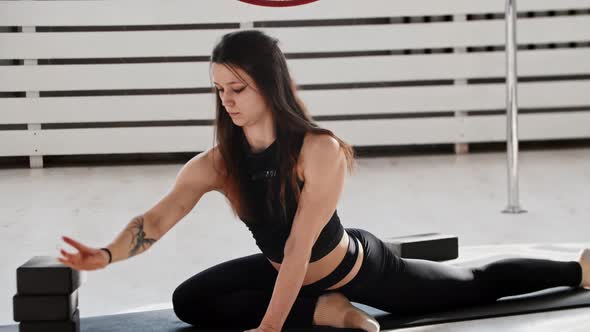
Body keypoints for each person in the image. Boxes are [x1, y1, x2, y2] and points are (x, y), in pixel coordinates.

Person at [58, 30, 590, 332]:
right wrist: (104, 257)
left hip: (357, 266)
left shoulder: (319, 149)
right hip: (286, 272)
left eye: (237, 88)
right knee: (189, 302)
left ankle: (578, 269)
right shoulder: (218, 163)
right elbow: (157, 220)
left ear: (269, 85)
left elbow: (298, 246)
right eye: (219, 89)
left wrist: (271, 329)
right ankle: (325, 312)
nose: (227, 101)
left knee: (471, 287)